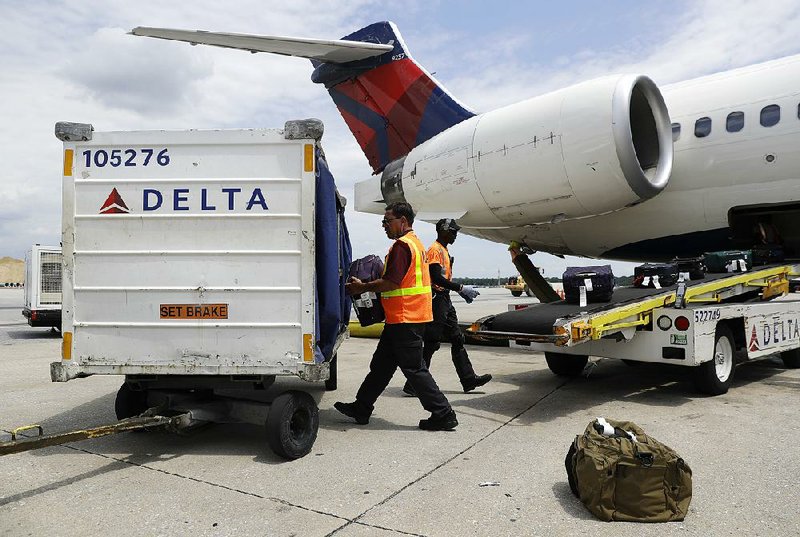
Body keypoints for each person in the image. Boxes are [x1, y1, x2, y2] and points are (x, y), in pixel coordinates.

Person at [335, 202, 458, 431]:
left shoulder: (403, 246)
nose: (384, 226)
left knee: (414, 369)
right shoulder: (416, 244)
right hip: (403, 318)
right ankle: (362, 407)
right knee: (381, 366)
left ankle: (443, 413)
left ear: (403, 221)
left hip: (406, 318)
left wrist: (362, 287)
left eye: (387, 221)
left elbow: (392, 282)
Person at [402, 219, 492, 396]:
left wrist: (458, 292)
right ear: (443, 231)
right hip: (437, 300)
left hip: (444, 299)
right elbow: (435, 278)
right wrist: (460, 288)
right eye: (453, 231)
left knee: (457, 338)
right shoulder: (435, 250)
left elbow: (444, 278)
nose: (455, 235)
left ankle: (469, 380)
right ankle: (413, 384)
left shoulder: (443, 250)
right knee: (432, 342)